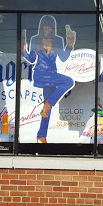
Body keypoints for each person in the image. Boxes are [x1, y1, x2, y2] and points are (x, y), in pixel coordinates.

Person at [22, 15, 76, 143]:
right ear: (41, 27)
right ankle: (46, 107)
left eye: (49, 26)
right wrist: (24, 50)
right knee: (68, 82)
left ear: (53, 28)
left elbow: (63, 57)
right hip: (40, 73)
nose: (47, 28)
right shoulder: (35, 39)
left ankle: (41, 135)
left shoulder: (58, 40)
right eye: (45, 26)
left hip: (52, 74)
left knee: (49, 106)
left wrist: (69, 45)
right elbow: (31, 59)